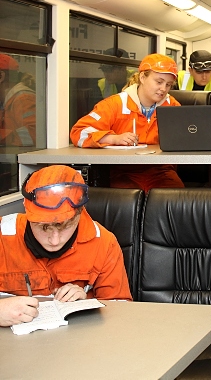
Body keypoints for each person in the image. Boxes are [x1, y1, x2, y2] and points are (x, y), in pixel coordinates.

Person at [0, 165, 132, 327]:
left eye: (66, 227)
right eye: (43, 227)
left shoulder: (104, 243)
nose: (55, 241)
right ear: (26, 209)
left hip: (79, 347)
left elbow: (122, 313)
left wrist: (87, 304)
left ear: (80, 211)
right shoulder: (2, 234)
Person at [70, 53, 184, 192]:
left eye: (168, 85)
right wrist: (113, 138)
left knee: (176, 201)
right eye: (159, 82)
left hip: (161, 171)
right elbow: (79, 133)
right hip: (122, 171)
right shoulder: (114, 104)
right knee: (126, 203)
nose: (163, 89)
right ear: (142, 77)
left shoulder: (172, 106)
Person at [0, 53, 36, 147]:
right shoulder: (7, 100)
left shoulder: (24, 99)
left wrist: (4, 137)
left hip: (23, 159)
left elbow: (34, 135)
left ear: (1, 76)